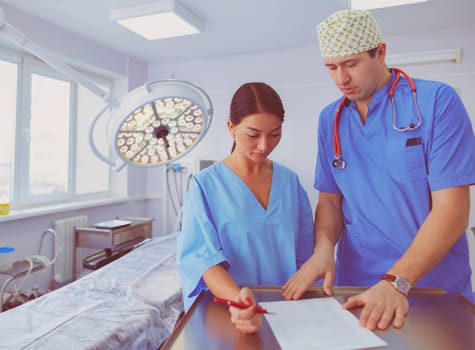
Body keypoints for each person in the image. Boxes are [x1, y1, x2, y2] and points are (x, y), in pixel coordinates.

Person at [283, 9, 475, 331]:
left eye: (351, 64)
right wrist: (323, 250)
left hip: (431, 286)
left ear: (381, 52)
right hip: (357, 288)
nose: (340, 78)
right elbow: (330, 201)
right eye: (331, 67)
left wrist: (396, 282)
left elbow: (453, 208)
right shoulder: (330, 120)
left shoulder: (436, 102)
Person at [176, 82, 315, 333]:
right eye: (253, 135)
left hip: (288, 313)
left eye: (274, 134)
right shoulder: (205, 185)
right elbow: (204, 262)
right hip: (230, 312)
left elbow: (306, 256)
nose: (264, 145)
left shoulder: (289, 182)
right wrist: (240, 300)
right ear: (231, 127)